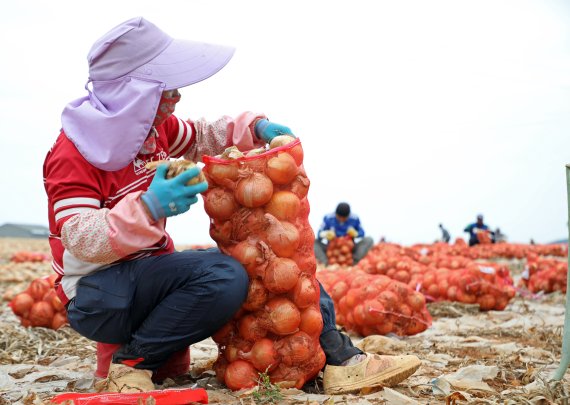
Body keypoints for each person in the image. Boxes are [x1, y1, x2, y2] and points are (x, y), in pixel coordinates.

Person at [43, 17, 420, 395]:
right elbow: (79, 237)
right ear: (131, 93)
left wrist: (255, 128)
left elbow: (204, 135)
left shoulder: (154, 131)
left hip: (147, 279)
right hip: (97, 294)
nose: (176, 97)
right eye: (166, 89)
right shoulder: (73, 151)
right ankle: (130, 365)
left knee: (270, 260)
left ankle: (339, 360)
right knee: (226, 276)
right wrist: (148, 207)